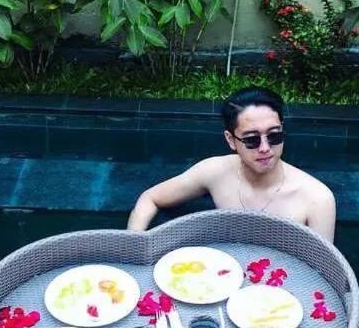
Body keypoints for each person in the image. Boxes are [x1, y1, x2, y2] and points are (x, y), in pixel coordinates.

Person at [127, 86, 336, 241]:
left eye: (273, 136)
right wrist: (135, 245)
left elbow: (324, 271)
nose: (264, 148)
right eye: (252, 139)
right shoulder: (215, 172)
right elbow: (150, 198)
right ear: (230, 140)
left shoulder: (317, 198)